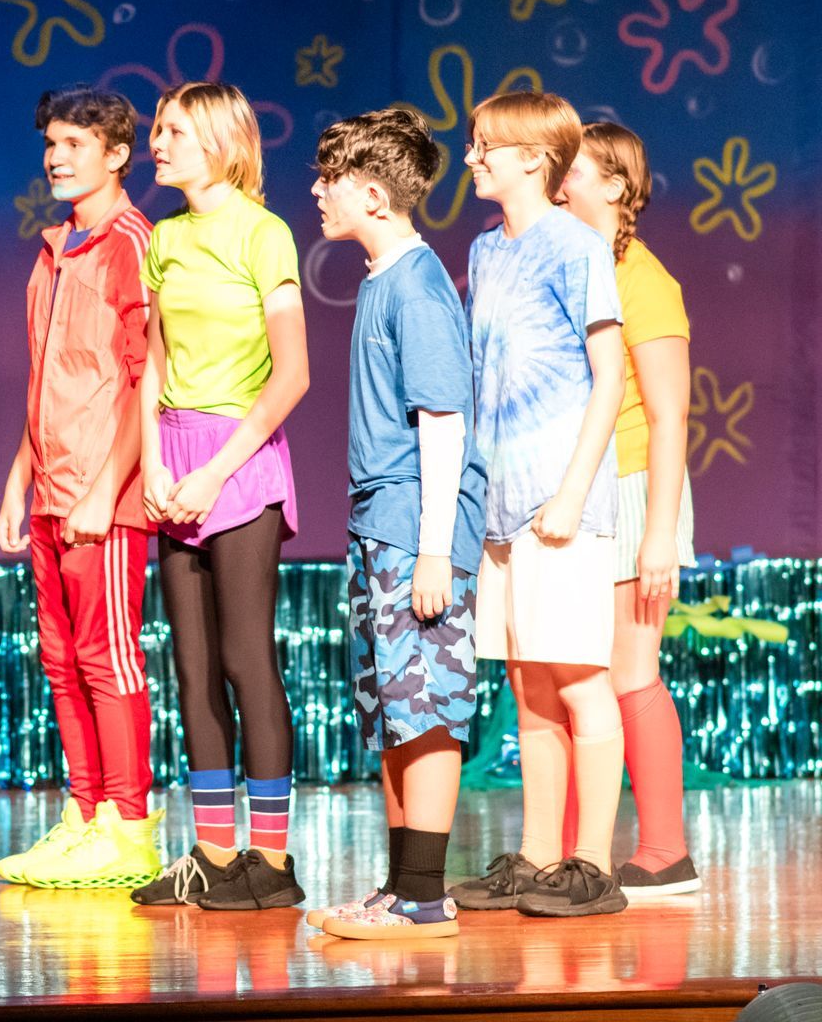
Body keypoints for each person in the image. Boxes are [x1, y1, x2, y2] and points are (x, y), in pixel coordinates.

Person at [304, 108, 487, 940]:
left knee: (427, 704)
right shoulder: (384, 280)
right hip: (380, 521)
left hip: (416, 523)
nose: (316, 193)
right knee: (389, 707)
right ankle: (399, 885)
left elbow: (443, 421)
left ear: (373, 194)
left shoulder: (416, 287)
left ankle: (424, 896)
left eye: (329, 181)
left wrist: (433, 552)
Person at [128, 82, 310, 911]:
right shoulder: (161, 239)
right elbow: (154, 364)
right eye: (157, 129)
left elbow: (292, 374)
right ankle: (213, 854)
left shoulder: (262, 233)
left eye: (171, 131)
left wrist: (214, 471)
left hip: (239, 460)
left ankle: (269, 864)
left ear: (219, 140)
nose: (156, 143)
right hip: (176, 459)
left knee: (244, 658)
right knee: (192, 669)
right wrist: (155, 466)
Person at [447, 92, 628, 918]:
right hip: (502, 502)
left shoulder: (576, 247)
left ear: (532, 158)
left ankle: (593, 865)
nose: (472, 157)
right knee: (528, 688)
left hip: (559, 498)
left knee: (583, 680)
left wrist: (572, 491)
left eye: (485, 145)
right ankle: (539, 854)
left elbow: (609, 373)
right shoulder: (486, 251)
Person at [0, 86, 159, 889]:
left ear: (118, 153)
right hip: (50, 491)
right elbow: (45, 381)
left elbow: (144, 382)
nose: (56, 157)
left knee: (108, 658)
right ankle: (85, 814)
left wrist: (106, 487)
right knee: (60, 661)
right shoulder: (55, 247)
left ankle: (130, 827)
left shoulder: (132, 243)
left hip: (106, 494)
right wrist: (15, 482)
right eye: (51, 143)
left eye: (74, 143)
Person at [554, 121, 699, 898]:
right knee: (583, 675)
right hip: (586, 494)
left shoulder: (643, 280)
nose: (559, 182)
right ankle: (581, 852)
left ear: (614, 185)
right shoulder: (576, 269)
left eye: (572, 170)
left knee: (630, 671)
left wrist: (659, 536)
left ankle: (664, 850)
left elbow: (671, 415)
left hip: (639, 490)